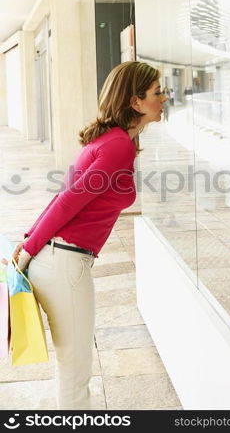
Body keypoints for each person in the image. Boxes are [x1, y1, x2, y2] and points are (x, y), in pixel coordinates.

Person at [8, 61, 167, 410]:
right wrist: (28, 247)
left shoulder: (113, 141)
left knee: (72, 369)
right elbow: (68, 201)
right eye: (157, 92)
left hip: (59, 259)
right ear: (136, 102)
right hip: (64, 264)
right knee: (75, 375)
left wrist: (31, 238)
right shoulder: (118, 145)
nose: (165, 98)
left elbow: (66, 195)